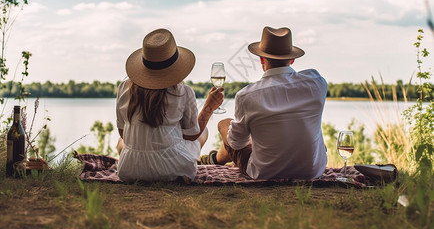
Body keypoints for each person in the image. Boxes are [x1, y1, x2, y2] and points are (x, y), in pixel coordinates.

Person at [201, 26, 327, 180]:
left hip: (266, 172)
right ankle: (214, 159)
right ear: (292, 59)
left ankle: (214, 160)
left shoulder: (247, 95)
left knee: (224, 124)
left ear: (261, 59)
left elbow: (236, 144)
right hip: (311, 171)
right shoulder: (317, 83)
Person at [116, 28, 223, 182]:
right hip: (174, 168)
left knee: (123, 141)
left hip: (129, 170)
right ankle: (194, 162)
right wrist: (208, 108)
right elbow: (192, 134)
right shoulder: (183, 91)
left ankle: (141, 166)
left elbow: (122, 132)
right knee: (203, 131)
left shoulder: (124, 87)